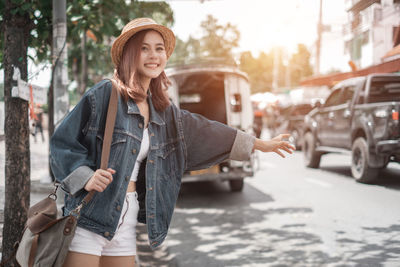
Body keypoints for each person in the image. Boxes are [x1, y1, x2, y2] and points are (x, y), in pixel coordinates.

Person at [50, 17, 295, 267]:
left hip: (127, 217)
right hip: (91, 215)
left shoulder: (163, 111)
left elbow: (204, 131)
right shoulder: (106, 94)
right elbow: (63, 143)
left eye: (159, 48)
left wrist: (259, 144)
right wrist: (86, 176)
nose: (153, 55)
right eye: (144, 48)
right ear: (129, 54)